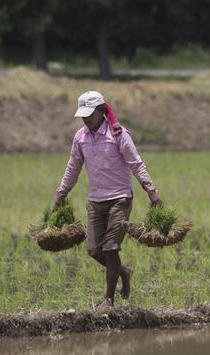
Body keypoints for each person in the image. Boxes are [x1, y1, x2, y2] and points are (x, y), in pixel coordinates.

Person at [53, 90, 164, 314]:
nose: (86, 119)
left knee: (111, 248)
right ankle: (123, 272)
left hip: (120, 198)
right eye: (83, 115)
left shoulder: (118, 134)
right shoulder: (80, 138)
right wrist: (61, 192)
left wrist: (152, 193)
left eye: (90, 114)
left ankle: (109, 301)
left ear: (101, 111)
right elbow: (73, 167)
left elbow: (136, 164)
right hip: (95, 201)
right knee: (94, 250)